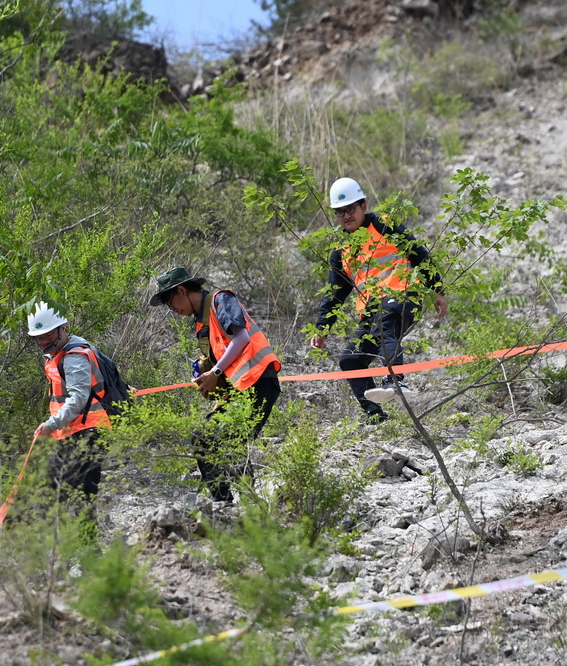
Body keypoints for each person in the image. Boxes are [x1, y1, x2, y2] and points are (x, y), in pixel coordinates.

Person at [310, 177, 448, 424]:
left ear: (363, 206)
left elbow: (419, 254)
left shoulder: (386, 226)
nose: (345, 216)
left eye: (350, 209)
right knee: (350, 360)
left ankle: (395, 382)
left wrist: (437, 289)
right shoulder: (340, 251)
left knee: (386, 326)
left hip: (403, 296)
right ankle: (376, 417)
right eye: (339, 212)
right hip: (372, 310)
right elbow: (335, 295)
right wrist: (323, 328)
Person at [149, 267, 282, 504]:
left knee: (231, 440)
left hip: (259, 382)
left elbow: (242, 338)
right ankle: (223, 503)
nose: (173, 310)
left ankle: (250, 504)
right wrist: (206, 374)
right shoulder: (201, 323)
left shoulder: (221, 300)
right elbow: (222, 360)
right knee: (202, 437)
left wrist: (215, 371)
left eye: (171, 303)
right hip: (239, 392)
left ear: (182, 290)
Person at [29, 301, 109, 530]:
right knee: (55, 489)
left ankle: (88, 553)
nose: (43, 342)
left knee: (81, 497)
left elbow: (78, 398)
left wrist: (51, 424)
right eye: (39, 337)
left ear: (62, 329)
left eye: (48, 335)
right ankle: (66, 551)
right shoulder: (58, 353)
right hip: (70, 433)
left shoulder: (73, 356)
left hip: (88, 433)